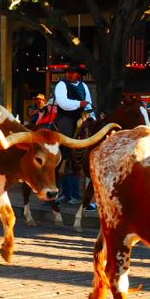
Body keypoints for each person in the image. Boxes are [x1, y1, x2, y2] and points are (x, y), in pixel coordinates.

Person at [54, 63, 94, 205]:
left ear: (80, 75)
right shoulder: (61, 85)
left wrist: (92, 116)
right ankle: (64, 159)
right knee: (68, 137)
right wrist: (79, 104)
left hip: (82, 115)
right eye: (69, 72)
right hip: (66, 117)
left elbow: (88, 103)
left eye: (73, 72)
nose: (69, 74)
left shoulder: (84, 86)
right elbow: (63, 102)